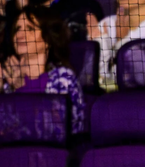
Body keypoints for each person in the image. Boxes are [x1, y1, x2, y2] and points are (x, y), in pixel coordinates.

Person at [1, 5, 84, 133]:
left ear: (47, 40)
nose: (19, 35)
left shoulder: (63, 78)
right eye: (17, 29)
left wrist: (21, 89)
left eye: (30, 29)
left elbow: (51, 130)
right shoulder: (9, 81)